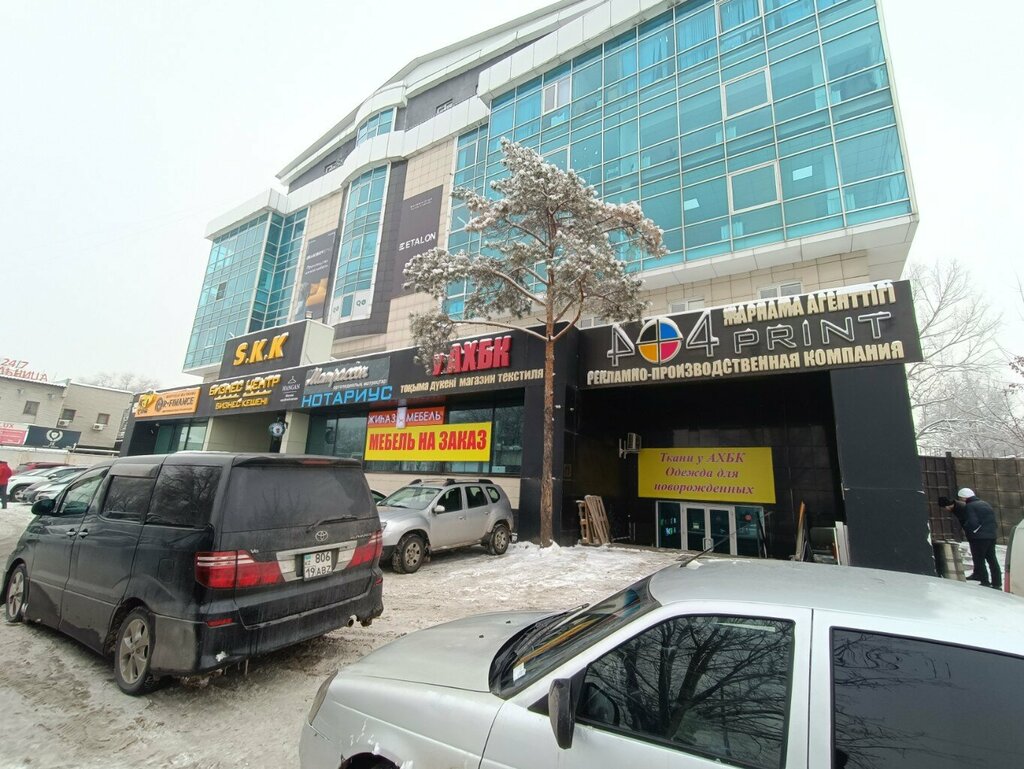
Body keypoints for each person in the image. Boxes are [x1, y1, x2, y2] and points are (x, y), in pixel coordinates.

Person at [940, 488, 1001, 589]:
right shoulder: (985, 504)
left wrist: (969, 529)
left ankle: (985, 581)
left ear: (964, 497)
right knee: (992, 559)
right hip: (991, 535)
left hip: (978, 538)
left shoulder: (970, 506)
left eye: (961, 498)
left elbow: (972, 522)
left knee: (979, 560)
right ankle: (997, 583)